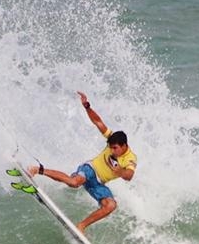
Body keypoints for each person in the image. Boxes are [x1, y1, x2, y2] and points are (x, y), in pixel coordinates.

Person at [28, 91, 137, 233]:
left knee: (110, 205)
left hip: (98, 183)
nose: (112, 150)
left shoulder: (130, 158)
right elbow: (98, 122)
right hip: (89, 169)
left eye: (115, 148)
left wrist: (120, 171)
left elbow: (129, 175)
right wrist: (87, 106)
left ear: (124, 146)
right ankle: (38, 169)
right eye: (110, 147)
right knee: (74, 182)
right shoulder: (112, 138)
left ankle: (81, 226)